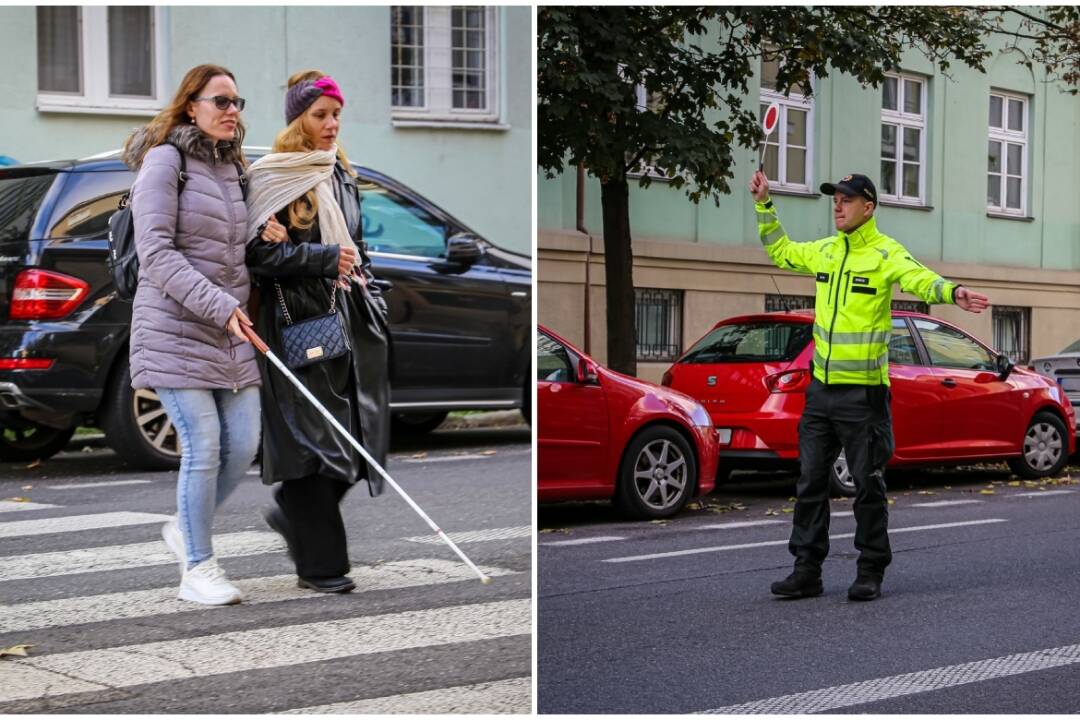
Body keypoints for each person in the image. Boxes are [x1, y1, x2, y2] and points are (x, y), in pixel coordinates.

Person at [748, 170, 990, 601]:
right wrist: (765, 204)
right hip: (821, 391)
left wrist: (953, 293)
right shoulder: (825, 251)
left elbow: (920, 278)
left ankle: (870, 569)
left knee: (868, 485)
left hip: (864, 393)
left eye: (846, 199)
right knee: (810, 483)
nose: (837, 205)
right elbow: (782, 251)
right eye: (834, 199)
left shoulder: (884, 253)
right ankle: (806, 570)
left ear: (868, 206)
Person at [123, 64, 282, 605]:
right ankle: (198, 567)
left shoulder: (234, 167)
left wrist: (263, 231)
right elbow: (158, 253)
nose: (232, 110)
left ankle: (185, 526)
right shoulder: (165, 161)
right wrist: (221, 307)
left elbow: (230, 248)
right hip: (173, 327)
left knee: (245, 445)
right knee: (204, 444)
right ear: (191, 105)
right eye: (221, 101)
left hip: (227, 328)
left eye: (238, 101)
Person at [244, 70, 391, 594]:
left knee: (356, 443)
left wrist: (367, 281)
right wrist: (326, 257)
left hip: (346, 315)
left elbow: (355, 245)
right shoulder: (276, 176)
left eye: (336, 115)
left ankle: (291, 514)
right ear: (297, 120)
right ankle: (322, 566)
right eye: (320, 116)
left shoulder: (339, 172)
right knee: (315, 443)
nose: (331, 126)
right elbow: (259, 256)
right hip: (294, 322)